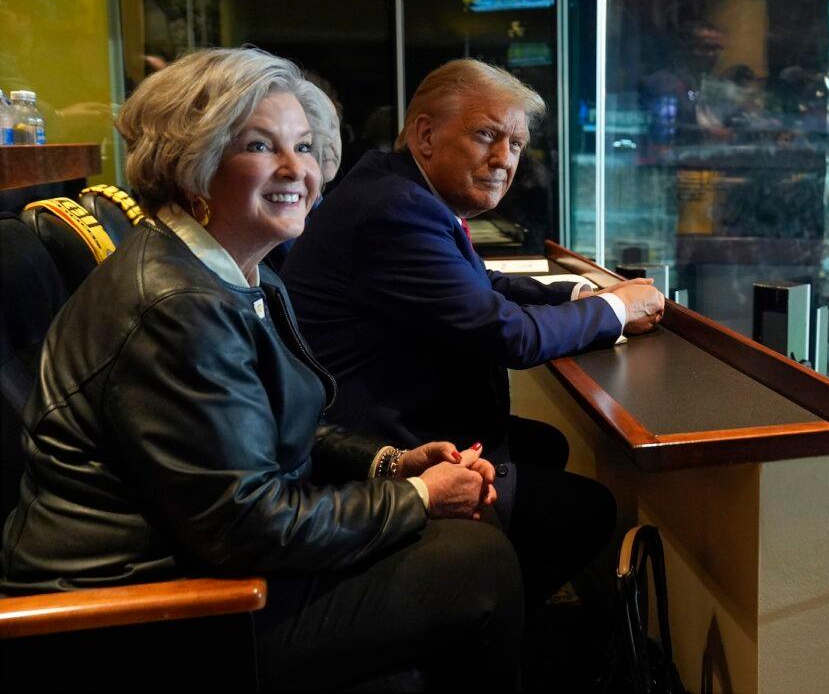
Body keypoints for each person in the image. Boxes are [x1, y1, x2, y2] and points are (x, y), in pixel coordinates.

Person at [1, 48, 523, 692]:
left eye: (304, 146)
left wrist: (390, 462)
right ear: (192, 162)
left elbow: (264, 425)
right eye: (258, 146)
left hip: (203, 565)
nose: (295, 169)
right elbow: (246, 524)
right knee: (478, 562)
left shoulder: (240, 269)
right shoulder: (179, 306)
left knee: (468, 538)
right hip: (145, 621)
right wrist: (420, 495)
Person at [283, 59, 663, 610]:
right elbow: (508, 337)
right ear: (426, 134)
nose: (504, 160)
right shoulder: (394, 209)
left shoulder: (395, 188)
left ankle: (490, 591)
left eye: (515, 144)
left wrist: (580, 296)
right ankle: (477, 615)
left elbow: (477, 282)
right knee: (586, 511)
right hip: (374, 446)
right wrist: (615, 309)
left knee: (546, 446)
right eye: (487, 135)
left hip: (390, 413)